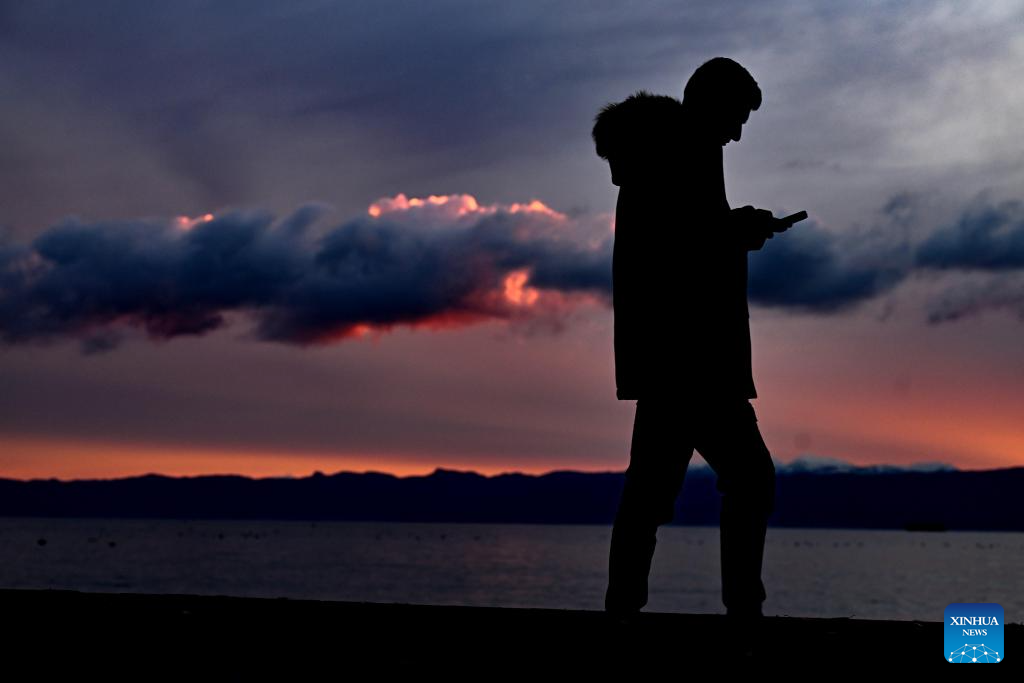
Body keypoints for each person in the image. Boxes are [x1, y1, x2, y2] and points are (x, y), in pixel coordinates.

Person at [591, 57, 787, 640]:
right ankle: (742, 613)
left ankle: (624, 608)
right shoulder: (688, 149)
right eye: (737, 117)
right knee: (749, 479)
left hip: (669, 357)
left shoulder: (662, 154)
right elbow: (684, 250)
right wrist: (739, 230)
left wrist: (734, 227)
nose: (738, 132)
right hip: (694, 357)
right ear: (713, 102)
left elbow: (681, 238)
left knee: (650, 491)